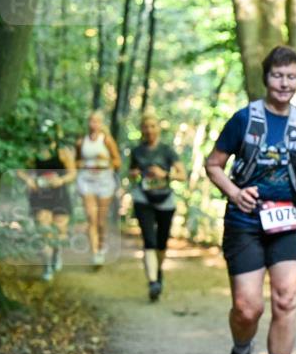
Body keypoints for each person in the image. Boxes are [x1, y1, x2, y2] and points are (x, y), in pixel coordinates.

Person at [205, 45, 296, 354]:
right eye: (278, 75)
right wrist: (233, 191)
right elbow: (213, 164)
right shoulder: (243, 119)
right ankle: (241, 349)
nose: (284, 83)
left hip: (287, 219)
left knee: (286, 299)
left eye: (291, 76)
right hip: (245, 220)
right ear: (266, 78)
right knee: (247, 308)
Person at [129, 111, 186, 301]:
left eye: (152, 126)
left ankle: (158, 272)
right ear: (142, 130)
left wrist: (164, 174)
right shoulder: (137, 151)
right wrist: (135, 173)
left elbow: (182, 175)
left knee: (161, 243)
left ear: (158, 129)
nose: (149, 130)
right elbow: (132, 173)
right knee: (149, 241)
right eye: (146, 127)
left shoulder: (167, 151)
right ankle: (153, 282)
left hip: (165, 200)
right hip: (143, 198)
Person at [19, 120, 76, 281]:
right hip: (40, 195)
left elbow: (72, 173)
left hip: (59, 195)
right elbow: (22, 171)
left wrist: (61, 180)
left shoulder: (63, 152)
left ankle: (56, 254)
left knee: (60, 233)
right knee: (44, 233)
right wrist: (29, 180)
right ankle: (47, 266)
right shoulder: (34, 152)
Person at [75, 111, 121, 266]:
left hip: (104, 182)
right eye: (91, 121)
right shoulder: (81, 142)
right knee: (91, 218)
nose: (93, 124)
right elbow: (76, 162)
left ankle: (101, 247)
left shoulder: (106, 140)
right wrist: (80, 164)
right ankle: (95, 254)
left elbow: (117, 162)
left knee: (101, 221)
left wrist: (106, 160)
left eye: (97, 121)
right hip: (86, 181)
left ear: (101, 124)